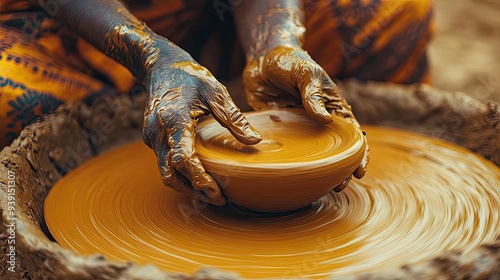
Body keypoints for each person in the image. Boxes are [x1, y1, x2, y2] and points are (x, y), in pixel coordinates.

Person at [0, 0, 433, 206]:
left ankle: (214, 79)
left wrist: (273, 42)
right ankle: (141, 103)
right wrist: (153, 56)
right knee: (15, 99)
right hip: (74, 24)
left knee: (393, 16)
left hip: (214, 14)